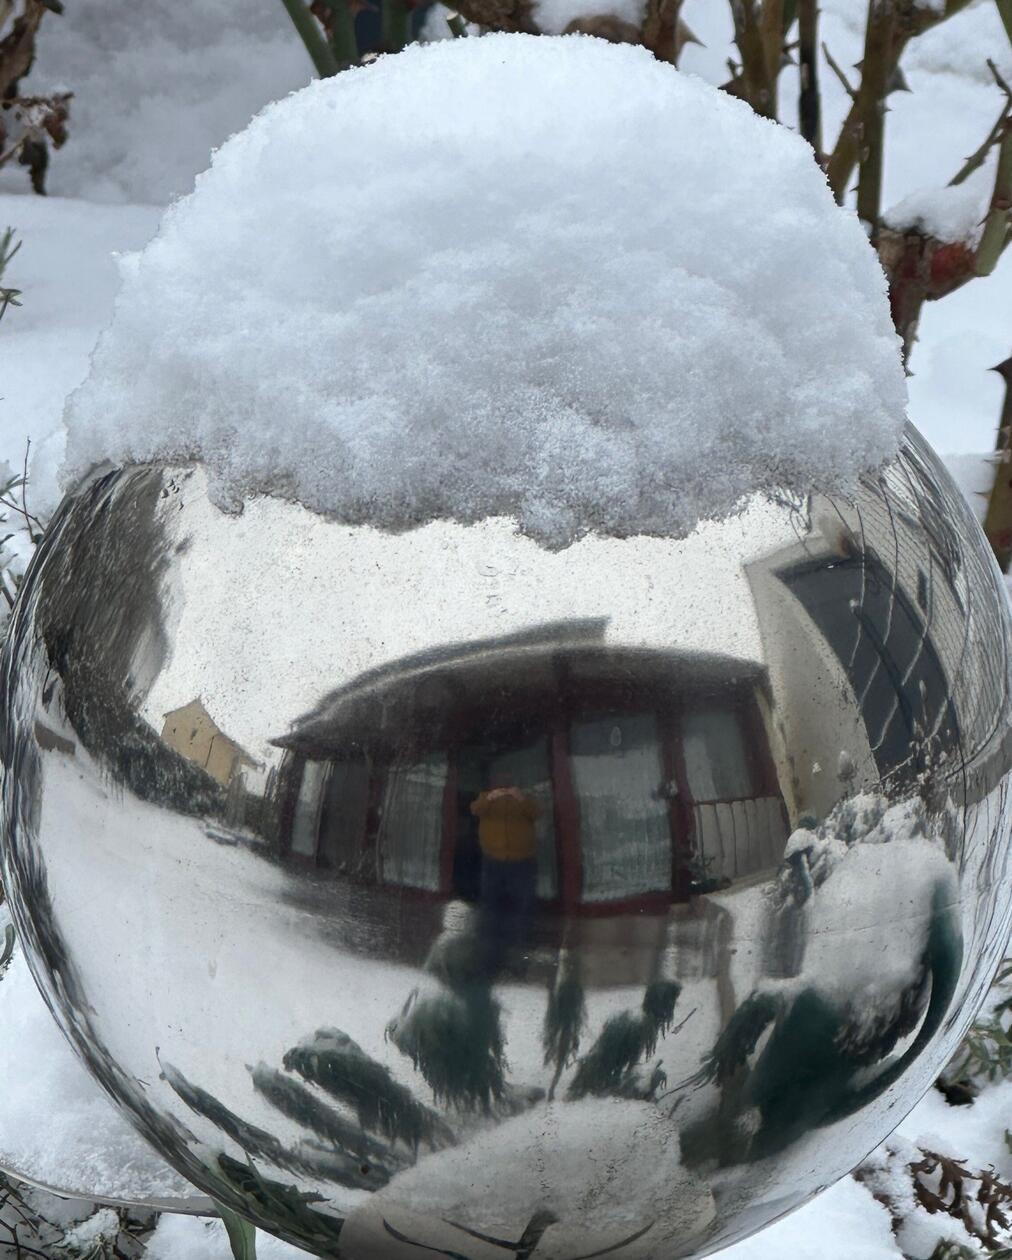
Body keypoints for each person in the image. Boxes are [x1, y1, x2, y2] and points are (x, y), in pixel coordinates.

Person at [470, 776, 541, 974]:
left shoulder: (524, 799)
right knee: (490, 910)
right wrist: (490, 797)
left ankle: (518, 960)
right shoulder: (486, 798)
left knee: (521, 909)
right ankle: (487, 961)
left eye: (508, 785)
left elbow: (537, 813)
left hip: (522, 863)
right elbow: (475, 809)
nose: (505, 789)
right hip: (493, 862)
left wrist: (520, 798)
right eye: (501, 786)